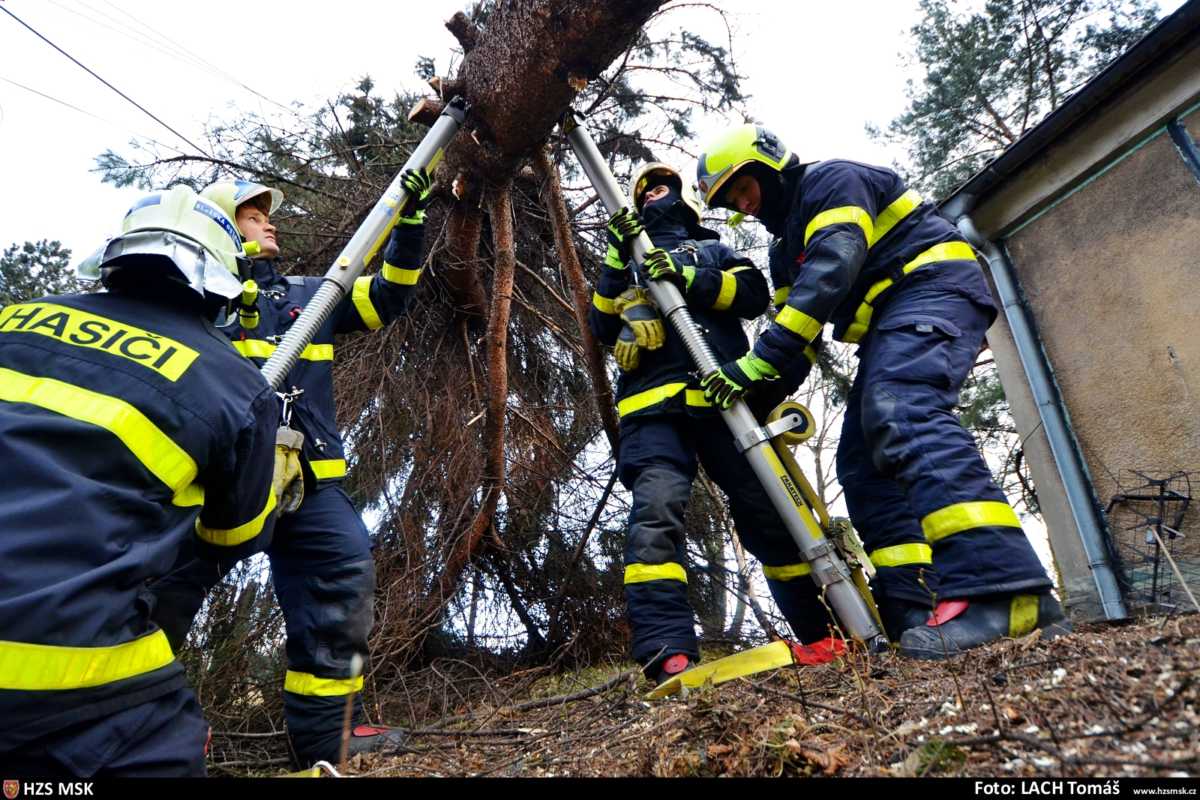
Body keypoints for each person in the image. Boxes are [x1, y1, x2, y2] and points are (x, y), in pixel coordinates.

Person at [694, 123, 1070, 658]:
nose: (744, 203)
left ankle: (1006, 593)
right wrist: (748, 399)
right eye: (731, 200)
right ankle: (913, 608)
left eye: (743, 186)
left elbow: (831, 269)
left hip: (931, 287)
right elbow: (799, 343)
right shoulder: (783, 255)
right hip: (890, 322)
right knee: (864, 461)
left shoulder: (833, 183)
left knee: (903, 409)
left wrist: (755, 362)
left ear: (769, 164)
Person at [149, 170, 432, 765]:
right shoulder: (198, 303)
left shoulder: (312, 295)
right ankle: (130, 728)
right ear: (223, 227)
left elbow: (389, 296)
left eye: (266, 215)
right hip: (216, 480)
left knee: (340, 580)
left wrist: (409, 223)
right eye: (253, 216)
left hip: (309, 482)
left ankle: (328, 740)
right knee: (160, 593)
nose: (270, 222)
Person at [0, 186, 279, 775]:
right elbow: (235, 537)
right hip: (59, 667)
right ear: (224, 280)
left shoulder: (16, 319)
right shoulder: (234, 383)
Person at [589, 163, 848, 684]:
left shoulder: (713, 249)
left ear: (682, 199)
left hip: (722, 397)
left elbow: (752, 296)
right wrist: (621, 260)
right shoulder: (625, 259)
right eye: (644, 193)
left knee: (769, 511)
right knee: (656, 512)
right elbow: (600, 322)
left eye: (661, 187)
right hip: (652, 411)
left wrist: (684, 277)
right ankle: (668, 651)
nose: (652, 195)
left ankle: (819, 632)